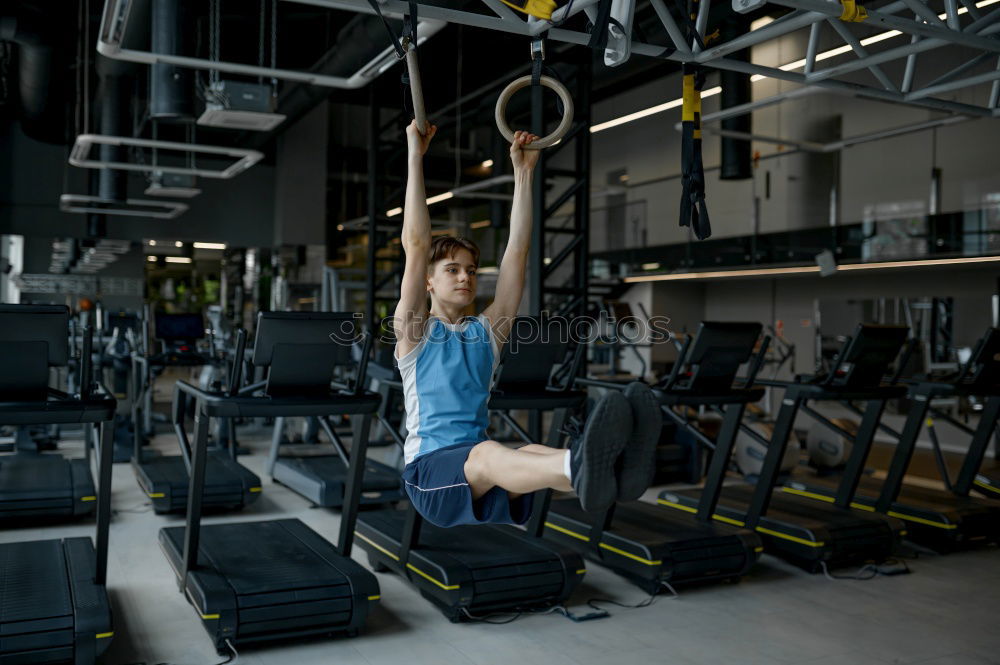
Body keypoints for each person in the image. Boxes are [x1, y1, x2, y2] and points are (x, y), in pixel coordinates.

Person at [393, 120, 660, 528]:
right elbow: (416, 246)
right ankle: (586, 462)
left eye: (471, 269)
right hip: (430, 474)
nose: (466, 277)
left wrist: (524, 174)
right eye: (452, 269)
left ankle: (614, 473)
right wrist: (415, 154)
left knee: (532, 451)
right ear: (429, 280)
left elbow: (517, 251)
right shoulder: (414, 331)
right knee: (489, 453)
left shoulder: (487, 333)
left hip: (478, 466)